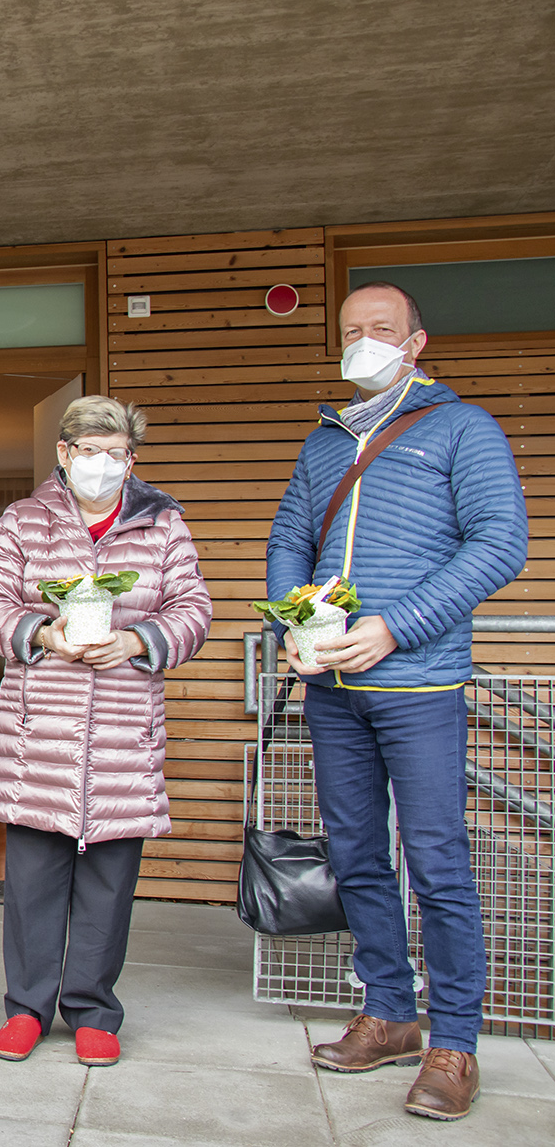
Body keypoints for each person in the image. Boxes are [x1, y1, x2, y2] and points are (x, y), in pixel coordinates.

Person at [267, 281, 526, 1121]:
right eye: (350, 330)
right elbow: (288, 540)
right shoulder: (324, 440)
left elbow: (502, 541)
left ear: (416, 341)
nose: (363, 341)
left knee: (439, 862)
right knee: (356, 855)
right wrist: (290, 621)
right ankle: (389, 1011)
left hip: (419, 684)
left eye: (381, 328)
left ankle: (455, 1040)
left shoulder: (463, 427)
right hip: (331, 687)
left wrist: (397, 625)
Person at [0, 396, 211, 1068]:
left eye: (115, 452)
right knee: (33, 882)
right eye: (87, 449)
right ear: (63, 453)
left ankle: (94, 1008)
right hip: (38, 734)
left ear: (131, 459)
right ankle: (26, 1006)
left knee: (108, 883)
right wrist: (40, 632)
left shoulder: (162, 523)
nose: (100, 463)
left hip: (122, 737)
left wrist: (137, 639)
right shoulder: (25, 519)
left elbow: (193, 608)